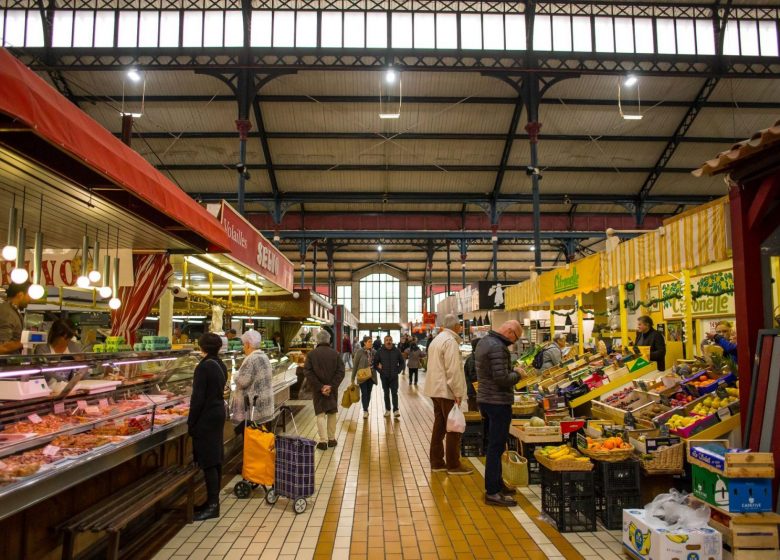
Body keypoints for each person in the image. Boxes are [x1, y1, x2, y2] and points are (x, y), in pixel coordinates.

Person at [476, 320, 523, 507]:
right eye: (516, 338)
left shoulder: (484, 341)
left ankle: (497, 483)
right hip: (498, 402)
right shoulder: (498, 347)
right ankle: (493, 492)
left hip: (486, 400)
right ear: (510, 332)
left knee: (494, 445)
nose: (514, 342)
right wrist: (518, 373)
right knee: (496, 447)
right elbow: (502, 378)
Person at [423, 314, 472, 476]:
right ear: (456, 326)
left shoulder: (437, 340)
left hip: (435, 390)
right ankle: (453, 464)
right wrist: (458, 392)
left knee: (440, 426)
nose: (460, 328)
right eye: (459, 325)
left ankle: (436, 461)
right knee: (454, 427)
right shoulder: (450, 342)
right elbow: (453, 370)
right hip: (446, 391)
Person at [188, 333, 228, 521]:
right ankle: (213, 501)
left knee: (208, 461)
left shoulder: (203, 367)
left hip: (206, 417)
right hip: (218, 413)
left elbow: (197, 399)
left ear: (202, 347)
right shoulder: (220, 364)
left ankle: (212, 506)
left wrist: (191, 423)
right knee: (215, 459)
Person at [304, 330, 345, 450]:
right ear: (329, 340)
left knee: (320, 414)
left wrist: (320, 386)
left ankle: (323, 441)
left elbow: (308, 372)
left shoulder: (311, 355)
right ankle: (332, 439)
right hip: (332, 390)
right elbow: (341, 372)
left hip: (318, 390)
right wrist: (331, 386)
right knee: (332, 412)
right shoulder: (335, 354)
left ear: (318, 340)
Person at [230, 330, 273, 437]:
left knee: (254, 439)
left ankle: (253, 454)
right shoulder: (264, 356)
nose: (243, 347)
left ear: (248, 344)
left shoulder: (252, 358)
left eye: (244, 344)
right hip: (264, 404)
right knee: (261, 436)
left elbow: (242, 381)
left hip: (254, 408)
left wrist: (234, 375)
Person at [373, 335, 404, 418]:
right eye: (386, 340)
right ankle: (387, 410)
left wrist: (398, 370)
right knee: (386, 393)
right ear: (384, 342)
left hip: (394, 376)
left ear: (392, 341)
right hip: (384, 376)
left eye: (390, 340)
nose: (388, 341)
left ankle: (396, 410)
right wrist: (380, 371)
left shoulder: (397, 351)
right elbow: (375, 364)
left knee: (394, 393)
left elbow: (402, 362)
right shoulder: (380, 351)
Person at [0, 282, 31, 354]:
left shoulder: (12, 311)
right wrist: (26, 341)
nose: (30, 299)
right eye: (28, 295)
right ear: (20, 295)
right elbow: (2, 346)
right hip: (4, 364)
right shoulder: (7, 313)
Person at [352, 335, 375, 419]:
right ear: (365, 343)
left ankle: (366, 407)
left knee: (368, 393)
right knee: (364, 393)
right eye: (369, 342)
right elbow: (355, 366)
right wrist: (352, 378)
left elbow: (377, 362)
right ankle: (365, 410)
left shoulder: (374, 352)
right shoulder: (359, 352)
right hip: (362, 376)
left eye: (371, 341)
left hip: (371, 376)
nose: (371, 343)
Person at [463, 339, 479, 411]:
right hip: (473, 391)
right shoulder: (472, 360)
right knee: (473, 413)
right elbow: (473, 376)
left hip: (475, 391)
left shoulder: (475, 358)